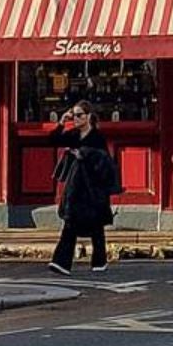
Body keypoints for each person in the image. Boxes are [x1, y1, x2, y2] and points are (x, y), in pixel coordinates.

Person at [47, 101, 118, 276]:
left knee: (96, 226)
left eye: (80, 115)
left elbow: (104, 162)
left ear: (89, 117)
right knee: (70, 223)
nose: (76, 119)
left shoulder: (97, 137)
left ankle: (99, 261)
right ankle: (61, 262)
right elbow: (53, 140)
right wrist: (62, 121)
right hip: (76, 187)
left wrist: (84, 154)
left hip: (93, 188)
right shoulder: (73, 134)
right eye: (74, 115)